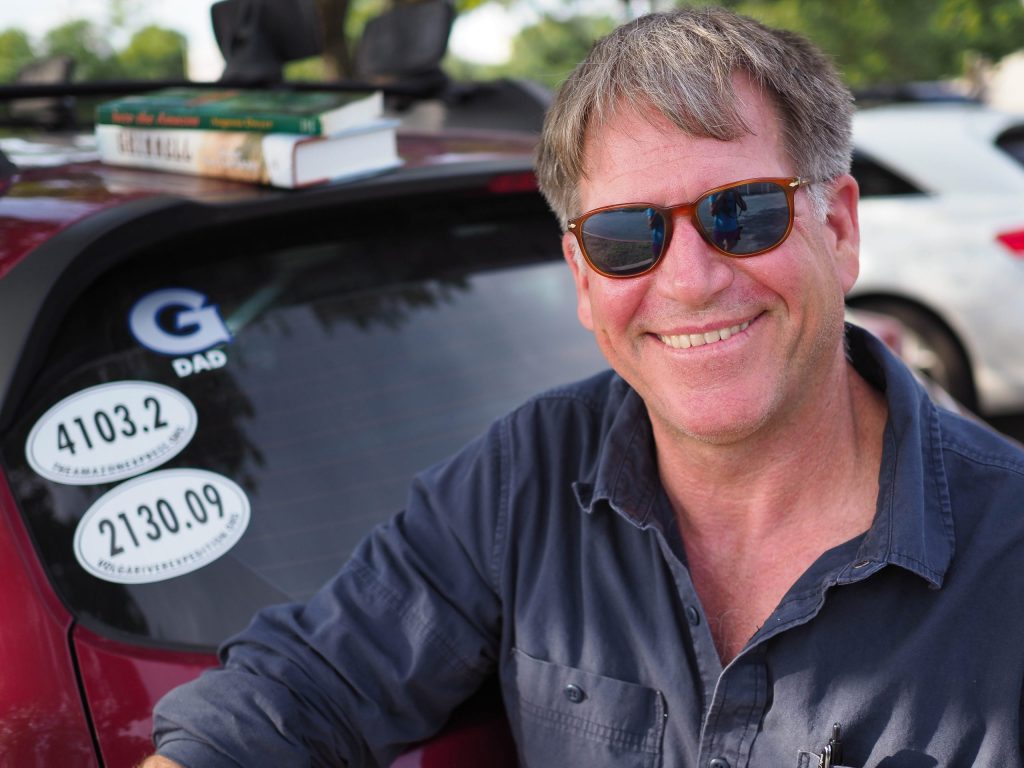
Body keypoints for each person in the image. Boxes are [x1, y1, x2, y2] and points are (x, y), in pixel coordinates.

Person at [144, 7, 1024, 768]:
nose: (687, 281)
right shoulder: (522, 480)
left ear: (836, 228)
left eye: (742, 212)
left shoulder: (1007, 557)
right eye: (624, 237)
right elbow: (304, 689)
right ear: (581, 274)